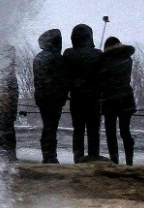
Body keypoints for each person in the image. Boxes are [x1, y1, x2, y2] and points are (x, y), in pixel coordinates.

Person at [63, 23, 103, 162]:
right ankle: (93, 157)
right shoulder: (98, 54)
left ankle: (78, 158)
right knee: (93, 131)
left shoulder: (68, 54)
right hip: (94, 99)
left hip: (77, 98)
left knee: (78, 130)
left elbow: (65, 76)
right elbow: (102, 77)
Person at [32, 28, 68, 163]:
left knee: (48, 125)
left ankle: (47, 155)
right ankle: (50, 156)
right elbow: (63, 79)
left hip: (42, 97)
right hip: (54, 98)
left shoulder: (39, 57)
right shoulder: (57, 58)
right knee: (51, 127)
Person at [100, 36, 136, 165]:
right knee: (125, 131)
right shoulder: (127, 60)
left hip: (110, 100)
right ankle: (129, 162)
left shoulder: (106, 62)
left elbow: (102, 79)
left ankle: (114, 161)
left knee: (111, 132)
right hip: (126, 99)